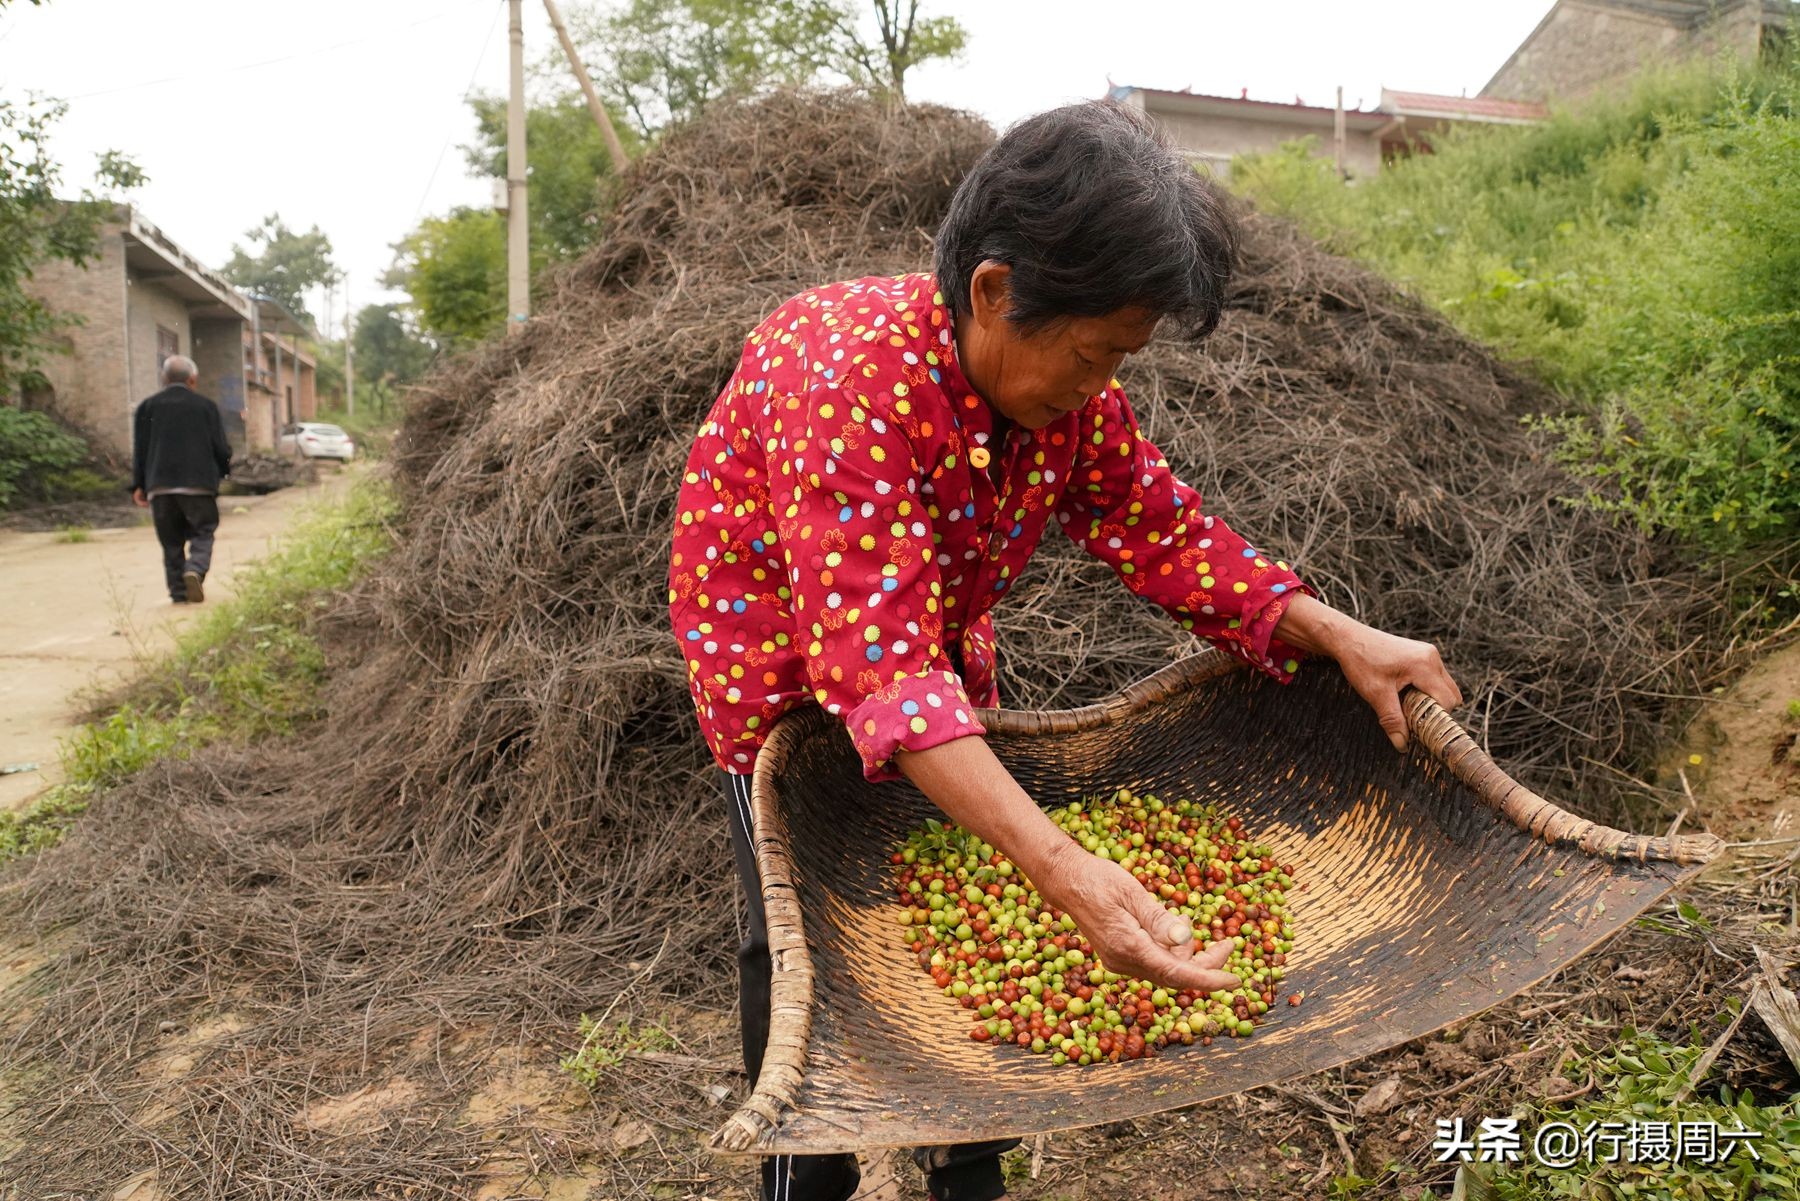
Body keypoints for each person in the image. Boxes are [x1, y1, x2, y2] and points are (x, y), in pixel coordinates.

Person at [667, 101, 1464, 1201]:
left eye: (1119, 358)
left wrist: (1335, 631)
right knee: (801, 936)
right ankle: (808, 1164)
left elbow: (1162, 530)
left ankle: (965, 1159)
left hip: (928, 652)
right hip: (778, 670)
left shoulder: (1062, 395)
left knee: (960, 876)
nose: (1102, 383)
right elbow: (881, 674)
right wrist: (1067, 872)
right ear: (994, 291)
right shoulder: (844, 384)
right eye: (1095, 353)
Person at [131, 354, 232, 604]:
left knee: (170, 540)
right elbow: (221, 448)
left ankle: (178, 593)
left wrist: (139, 485)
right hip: (198, 485)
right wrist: (222, 473)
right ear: (193, 380)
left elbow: (140, 450)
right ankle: (195, 569)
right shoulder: (206, 407)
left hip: (160, 486)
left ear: (163, 379)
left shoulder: (147, 407)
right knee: (203, 530)